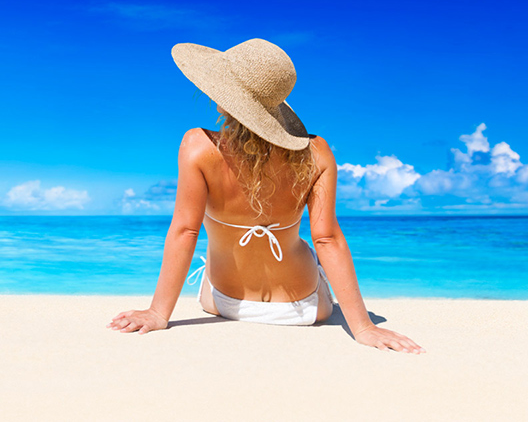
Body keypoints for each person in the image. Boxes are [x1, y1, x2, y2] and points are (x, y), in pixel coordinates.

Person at [107, 38, 425, 353]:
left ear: (225, 99)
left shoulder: (198, 146)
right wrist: (364, 327)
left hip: (223, 302)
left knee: (212, 254)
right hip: (304, 308)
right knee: (309, 252)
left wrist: (158, 313)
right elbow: (327, 238)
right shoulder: (317, 153)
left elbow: (185, 231)